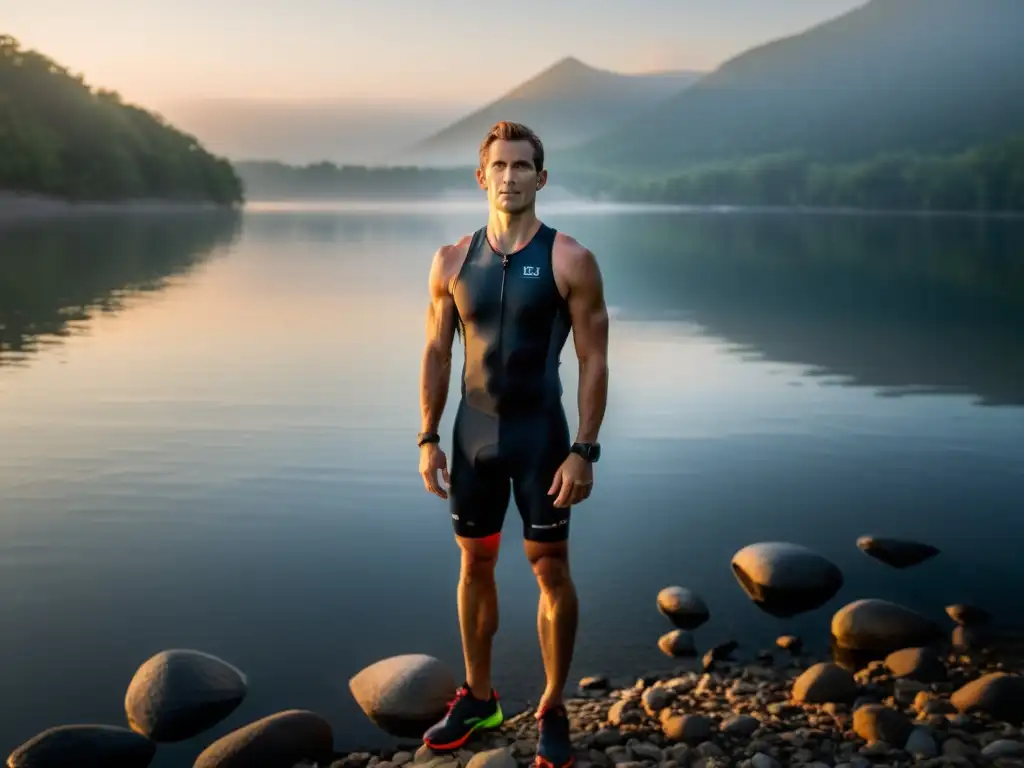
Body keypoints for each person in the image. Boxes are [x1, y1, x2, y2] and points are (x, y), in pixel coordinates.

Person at [416, 121, 609, 768]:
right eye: (499, 166)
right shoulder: (451, 260)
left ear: (541, 178)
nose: (510, 176)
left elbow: (594, 359)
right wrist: (427, 437)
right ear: (482, 177)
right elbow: (438, 351)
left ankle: (553, 705)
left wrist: (585, 448)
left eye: (522, 166)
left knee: (550, 569)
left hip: (541, 440)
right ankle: (479, 695)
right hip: (471, 438)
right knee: (474, 564)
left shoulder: (570, 259)